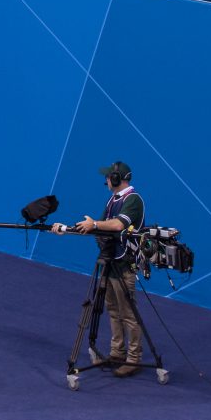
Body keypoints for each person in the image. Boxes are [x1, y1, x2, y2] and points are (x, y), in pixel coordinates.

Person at [53, 160, 146, 377]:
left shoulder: (133, 200)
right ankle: (117, 352)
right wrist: (67, 229)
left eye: (108, 177)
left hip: (123, 264)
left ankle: (133, 358)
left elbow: (116, 225)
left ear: (116, 179)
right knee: (113, 310)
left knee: (128, 313)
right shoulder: (113, 199)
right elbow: (99, 227)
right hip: (110, 261)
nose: (105, 180)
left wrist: (94, 224)